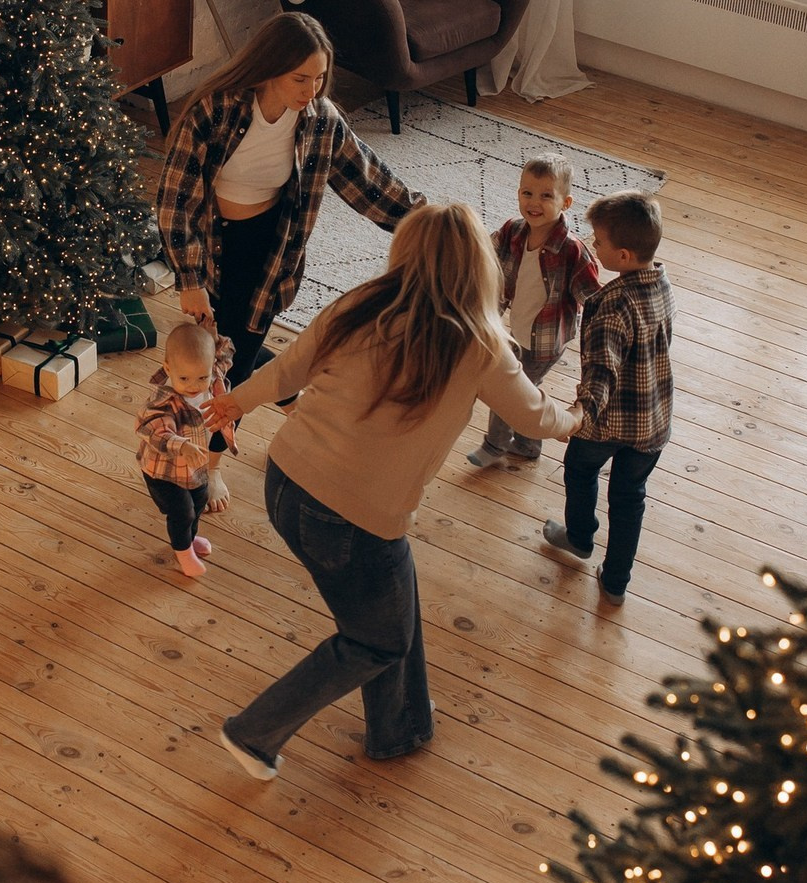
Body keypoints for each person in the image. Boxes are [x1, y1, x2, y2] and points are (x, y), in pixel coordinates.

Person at [202, 203, 582, 779]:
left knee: (394, 606)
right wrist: (576, 418)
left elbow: (287, 371)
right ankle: (253, 733)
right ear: (479, 267)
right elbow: (534, 417)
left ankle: (401, 725)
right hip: (351, 517)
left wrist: (235, 402)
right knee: (376, 640)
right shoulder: (480, 345)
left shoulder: (360, 304)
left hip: (285, 479)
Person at [156, 12, 422, 511]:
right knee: (228, 347)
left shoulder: (320, 120)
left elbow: (370, 182)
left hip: (269, 250)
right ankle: (285, 396)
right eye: (301, 78)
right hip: (211, 245)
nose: (312, 90)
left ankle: (213, 464)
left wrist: (430, 224)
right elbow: (175, 199)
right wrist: (188, 279)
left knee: (228, 363)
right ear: (269, 69)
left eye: (320, 78)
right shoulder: (216, 110)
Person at [542, 192, 674, 614]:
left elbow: (602, 372)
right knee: (630, 498)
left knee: (580, 470)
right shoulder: (661, 282)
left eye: (598, 242)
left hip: (607, 422)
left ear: (623, 255)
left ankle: (580, 538)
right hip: (652, 420)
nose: (593, 246)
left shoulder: (611, 307)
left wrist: (578, 414)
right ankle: (616, 582)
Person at [466, 153, 600, 471]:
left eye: (546, 196)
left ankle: (495, 445)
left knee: (508, 391)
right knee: (523, 391)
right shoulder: (513, 231)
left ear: (566, 203)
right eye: (527, 193)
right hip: (518, 331)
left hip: (546, 342)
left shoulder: (572, 251)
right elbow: (485, 257)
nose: (534, 203)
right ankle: (528, 444)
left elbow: (595, 300)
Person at [135, 319, 235, 579]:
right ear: (168, 368)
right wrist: (180, 445)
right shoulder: (164, 400)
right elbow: (151, 428)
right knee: (182, 512)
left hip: (194, 467)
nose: (194, 385)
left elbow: (226, 354)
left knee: (199, 502)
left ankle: (189, 540)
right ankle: (183, 553)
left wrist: (214, 337)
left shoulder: (210, 376)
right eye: (184, 378)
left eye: (202, 377)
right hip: (164, 472)